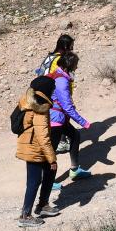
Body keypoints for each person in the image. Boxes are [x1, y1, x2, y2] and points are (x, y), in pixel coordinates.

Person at [15, 76, 61, 227]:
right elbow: (43, 136)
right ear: (47, 90)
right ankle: (25, 215)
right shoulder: (40, 106)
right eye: (52, 88)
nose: (54, 91)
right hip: (34, 147)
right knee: (34, 181)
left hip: (31, 144)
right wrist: (52, 158)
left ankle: (42, 205)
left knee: (49, 172)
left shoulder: (28, 99)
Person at [49, 52, 92, 182]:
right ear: (70, 65)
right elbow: (67, 107)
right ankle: (48, 183)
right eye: (76, 65)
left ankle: (74, 170)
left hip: (57, 118)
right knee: (51, 151)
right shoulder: (61, 81)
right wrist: (84, 122)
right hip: (55, 119)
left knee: (75, 135)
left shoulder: (57, 73)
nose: (77, 68)